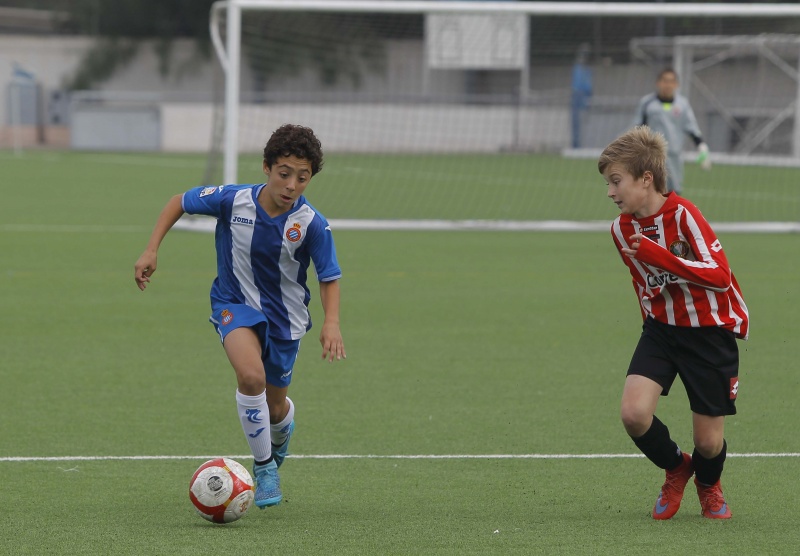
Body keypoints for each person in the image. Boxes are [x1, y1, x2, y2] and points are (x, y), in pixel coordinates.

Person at [134, 124, 346, 509]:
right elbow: (178, 201)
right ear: (266, 168)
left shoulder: (312, 224)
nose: (292, 185)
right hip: (233, 303)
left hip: (285, 321)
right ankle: (264, 467)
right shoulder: (232, 200)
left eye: (303, 177)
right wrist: (151, 250)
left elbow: (329, 276)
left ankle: (280, 435)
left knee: (276, 406)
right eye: (284, 174)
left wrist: (331, 323)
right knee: (251, 378)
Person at [598, 126, 749, 520]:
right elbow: (642, 285)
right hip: (662, 333)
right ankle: (677, 468)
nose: (610, 192)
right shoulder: (620, 229)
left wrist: (660, 255)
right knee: (633, 414)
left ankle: (708, 485)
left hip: (708, 335)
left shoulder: (685, 215)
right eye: (607, 183)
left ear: (646, 179)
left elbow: (719, 275)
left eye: (616, 181)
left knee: (710, 443)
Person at [633, 68, 711, 195]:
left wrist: (702, 147)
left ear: (676, 84)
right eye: (665, 81)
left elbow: (692, 127)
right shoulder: (647, 103)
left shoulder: (682, 105)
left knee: (673, 195)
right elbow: (636, 128)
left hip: (674, 158)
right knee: (650, 193)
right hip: (651, 157)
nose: (668, 84)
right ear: (658, 83)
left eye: (671, 81)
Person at [570, 43, 593, 149]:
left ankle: (582, 144)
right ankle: (576, 145)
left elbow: (588, 87)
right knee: (576, 122)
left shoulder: (588, 70)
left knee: (585, 121)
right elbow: (578, 85)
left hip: (585, 97)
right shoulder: (578, 68)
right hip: (577, 96)